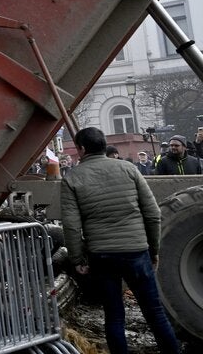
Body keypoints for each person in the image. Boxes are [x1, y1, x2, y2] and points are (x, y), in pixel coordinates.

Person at [61, 127, 180, 354]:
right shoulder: (128, 168)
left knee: (114, 316)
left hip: (101, 255)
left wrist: (77, 259)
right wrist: (153, 249)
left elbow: (71, 226)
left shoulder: (72, 178)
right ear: (104, 145)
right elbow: (153, 214)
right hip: (136, 251)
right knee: (154, 312)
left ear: (81, 149)